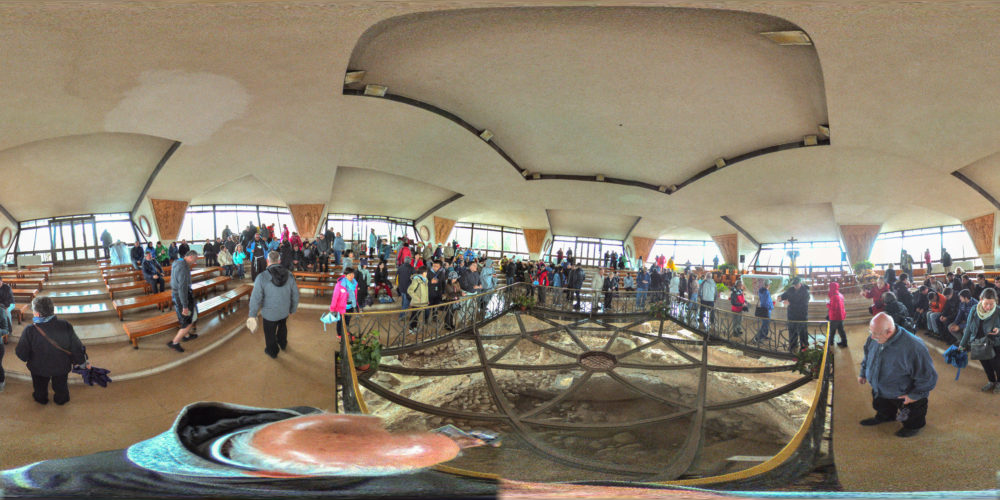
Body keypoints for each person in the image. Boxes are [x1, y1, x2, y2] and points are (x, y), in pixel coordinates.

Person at [858, 312, 938, 438]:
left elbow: (928, 376)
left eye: (875, 334)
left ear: (889, 331)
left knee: (912, 415)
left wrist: (915, 395)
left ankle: (913, 427)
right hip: (881, 389)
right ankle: (886, 417)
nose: (872, 337)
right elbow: (867, 356)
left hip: (904, 393)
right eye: (870, 332)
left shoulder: (914, 347)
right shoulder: (874, 338)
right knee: (882, 406)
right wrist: (863, 372)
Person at [15, 297, 88, 405]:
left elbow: (21, 354)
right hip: (61, 366)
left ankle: (41, 399)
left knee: (39, 388)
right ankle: (61, 399)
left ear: (37, 314)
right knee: (61, 386)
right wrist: (82, 361)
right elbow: (76, 346)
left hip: (38, 368)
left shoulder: (30, 330)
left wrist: (26, 356)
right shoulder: (65, 325)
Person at [248, 251, 300, 359]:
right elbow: (295, 294)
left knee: (270, 333)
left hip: (269, 314)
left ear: (267, 261)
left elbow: (255, 298)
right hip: (284, 311)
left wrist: (252, 314)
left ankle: (272, 351)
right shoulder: (289, 274)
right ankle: (283, 343)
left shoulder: (262, 277)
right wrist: (292, 309)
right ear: (279, 261)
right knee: (282, 327)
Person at [958, 288, 1000, 392]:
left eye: (991, 304)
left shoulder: (998, 311)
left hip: (994, 344)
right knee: (986, 365)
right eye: (986, 304)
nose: (988, 307)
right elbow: (968, 328)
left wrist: (998, 330)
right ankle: (991, 381)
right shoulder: (974, 310)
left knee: (997, 365)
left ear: (996, 301)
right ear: (981, 300)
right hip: (978, 343)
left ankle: (999, 382)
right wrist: (962, 344)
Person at [166, 251, 200, 353]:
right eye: (195, 259)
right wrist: (185, 305)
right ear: (190, 257)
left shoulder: (178, 261)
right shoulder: (183, 267)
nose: (195, 262)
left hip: (176, 294)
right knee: (188, 321)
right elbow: (182, 287)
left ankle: (186, 335)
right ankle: (175, 342)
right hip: (182, 297)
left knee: (185, 318)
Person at [781, 277, 811, 352]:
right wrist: (781, 297)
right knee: (792, 331)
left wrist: (790, 303)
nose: (795, 286)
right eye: (794, 284)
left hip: (801, 315)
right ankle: (793, 345)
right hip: (791, 315)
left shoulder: (805, 292)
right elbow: (784, 295)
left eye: (796, 284)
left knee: (803, 332)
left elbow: (803, 305)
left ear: (800, 283)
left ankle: (804, 346)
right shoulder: (791, 289)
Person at [329, 268, 357, 339]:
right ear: (345, 275)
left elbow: (355, 295)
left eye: (353, 274)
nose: (351, 276)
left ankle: (346, 331)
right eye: (349, 275)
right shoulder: (340, 284)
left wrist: (356, 305)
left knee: (347, 320)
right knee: (340, 321)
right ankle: (339, 334)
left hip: (350, 306)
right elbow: (335, 297)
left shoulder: (355, 283)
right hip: (341, 307)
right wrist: (332, 308)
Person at [407, 266, 429, 332]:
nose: (426, 273)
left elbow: (425, 291)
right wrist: (417, 298)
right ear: (422, 273)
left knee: (417, 316)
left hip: (422, 302)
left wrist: (427, 300)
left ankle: (415, 327)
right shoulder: (416, 280)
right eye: (426, 272)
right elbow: (410, 290)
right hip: (417, 302)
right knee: (414, 316)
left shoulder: (425, 280)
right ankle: (411, 328)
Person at [826, 282, 847, 347]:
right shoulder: (840, 294)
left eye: (829, 287)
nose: (828, 289)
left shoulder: (834, 296)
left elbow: (833, 308)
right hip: (840, 316)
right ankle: (844, 342)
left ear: (832, 288)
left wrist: (827, 304)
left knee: (832, 331)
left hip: (835, 317)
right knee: (841, 330)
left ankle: (830, 342)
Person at [0, 276, 13, 344]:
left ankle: (8, 330)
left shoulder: (7, 287)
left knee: (7, 313)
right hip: (1, 305)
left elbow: (9, 300)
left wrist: (5, 307)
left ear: (1, 281)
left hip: (9, 304)